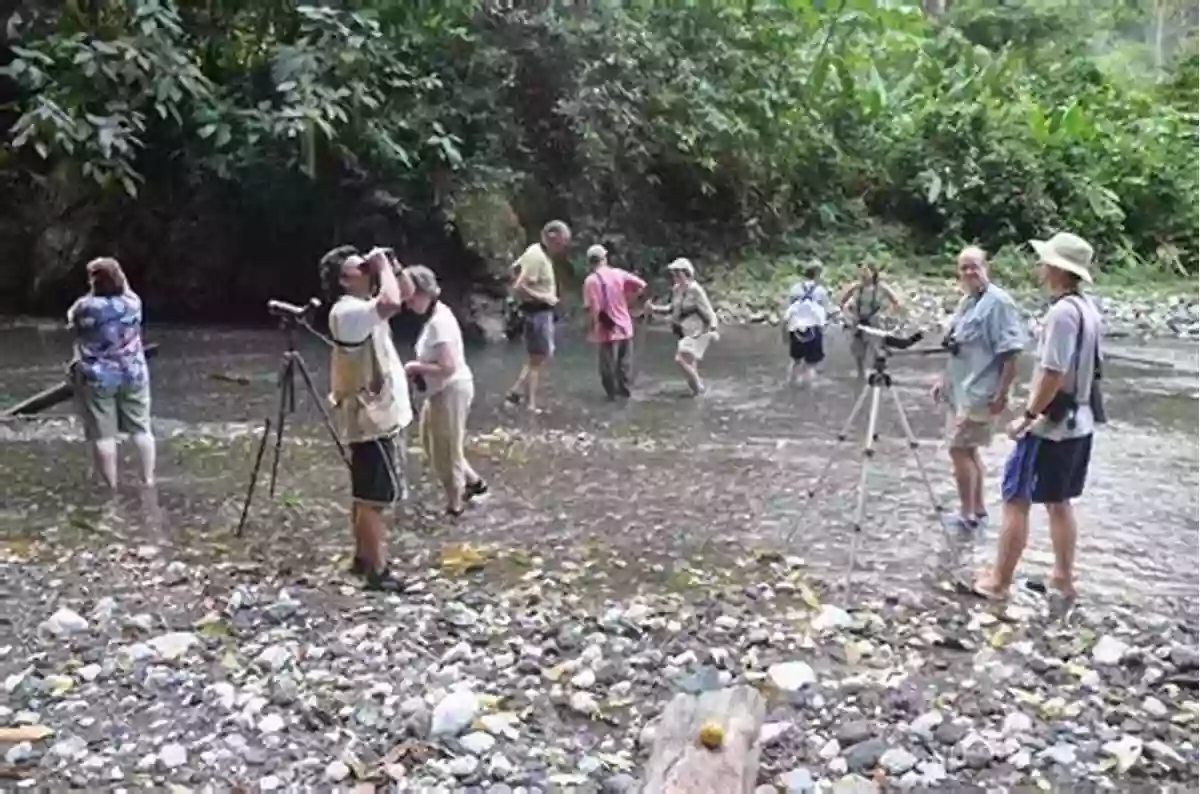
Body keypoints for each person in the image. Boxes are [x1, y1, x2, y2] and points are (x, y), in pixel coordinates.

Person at [973, 232, 1104, 605]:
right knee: (1059, 501)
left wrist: (1028, 416)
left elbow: (1052, 372)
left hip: (1051, 424)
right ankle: (1062, 578)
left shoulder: (1062, 313)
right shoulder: (1088, 309)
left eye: (1044, 261)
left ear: (1057, 270)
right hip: (1080, 420)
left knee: (1016, 498)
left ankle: (999, 581)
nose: (1039, 266)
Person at [324, 246, 414, 591]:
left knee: (366, 494)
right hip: (371, 418)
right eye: (360, 267)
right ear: (345, 280)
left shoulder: (361, 309)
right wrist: (380, 265)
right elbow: (391, 303)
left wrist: (392, 266)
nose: (368, 270)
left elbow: (403, 294)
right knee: (375, 499)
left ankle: (363, 559)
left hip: (375, 415)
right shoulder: (348, 313)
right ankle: (378, 571)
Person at [931, 247, 1027, 531]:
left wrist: (1001, 394)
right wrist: (942, 380)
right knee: (969, 450)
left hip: (980, 391)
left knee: (958, 449)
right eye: (964, 268)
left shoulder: (999, 303)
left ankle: (966, 514)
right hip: (960, 389)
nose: (970, 272)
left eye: (975, 266)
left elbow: (1010, 354)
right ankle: (978, 509)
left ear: (987, 267)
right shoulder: (967, 302)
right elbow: (956, 347)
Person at [402, 266, 489, 516]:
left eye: (410, 296)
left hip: (452, 389)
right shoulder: (435, 316)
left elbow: (447, 366)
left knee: (447, 450)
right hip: (440, 391)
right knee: (431, 445)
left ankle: (455, 506)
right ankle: (475, 484)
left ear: (422, 293)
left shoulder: (440, 321)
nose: (407, 303)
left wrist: (414, 366)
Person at [67, 257, 156, 490]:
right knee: (141, 429)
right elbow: (124, 289)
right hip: (133, 372)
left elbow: (71, 323)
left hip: (97, 377)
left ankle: (111, 486)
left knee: (104, 435)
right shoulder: (133, 302)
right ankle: (148, 480)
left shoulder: (85, 307)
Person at [505, 220, 571, 412]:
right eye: (561, 242)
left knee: (538, 357)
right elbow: (518, 286)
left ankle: (516, 393)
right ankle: (530, 403)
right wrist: (544, 296)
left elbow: (514, 269)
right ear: (551, 236)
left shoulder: (536, 252)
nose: (562, 247)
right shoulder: (536, 256)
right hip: (537, 313)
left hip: (540, 312)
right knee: (537, 358)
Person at [581, 244, 646, 400]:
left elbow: (590, 309)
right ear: (604, 258)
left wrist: (588, 329)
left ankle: (611, 396)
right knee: (624, 364)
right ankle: (625, 393)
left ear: (590, 262)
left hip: (605, 328)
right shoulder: (618, 274)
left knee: (606, 366)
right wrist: (631, 300)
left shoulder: (590, 281)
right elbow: (642, 285)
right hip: (625, 326)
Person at [649, 258, 719, 396]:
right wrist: (653, 309)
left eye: (678, 273)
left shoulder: (696, 290)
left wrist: (713, 327)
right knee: (690, 364)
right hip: (685, 331)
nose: (675, 277)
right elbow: (672, 308)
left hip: (700, 331)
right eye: (673, 274)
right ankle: (696, 395)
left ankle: (700, 387)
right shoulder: (676, 290)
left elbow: (708, 310)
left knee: (680, 358)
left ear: (687, 274)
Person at [838, 261, 905, 379]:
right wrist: (847, 314)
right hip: (858, 320)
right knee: (858, 349)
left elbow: (896, 302)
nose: (862, 273)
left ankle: (878, 373)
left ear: (873, 273)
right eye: (861, 271)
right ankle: (860, 373)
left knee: (876, 348)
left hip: (875, 321)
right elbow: (842, 302)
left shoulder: (881, 287)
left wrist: (887, 314)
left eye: (866, 270)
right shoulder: (856, 286)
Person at [783, 260, 831, 386]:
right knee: (811, 365)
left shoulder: (795, 289)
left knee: (795, 361)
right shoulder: (821, 291)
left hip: (796, 329)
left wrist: (785, 333)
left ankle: (790, 386)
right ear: (817, 273)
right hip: (814, 329)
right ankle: (810, 394)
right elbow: (826, 312)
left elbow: (788, 311)